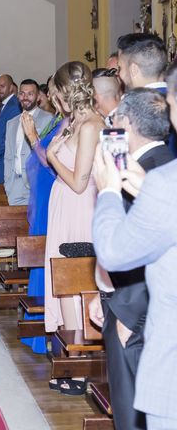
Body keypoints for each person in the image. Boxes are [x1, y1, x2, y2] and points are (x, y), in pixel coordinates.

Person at [91, 60, 177, 430]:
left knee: (129, 411)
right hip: (130, 302)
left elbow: (124, 249)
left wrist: (107, 188)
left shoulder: (158, 177)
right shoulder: (165, 163)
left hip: (139, 314)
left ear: (126, 125)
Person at [43, 62, 109, 336]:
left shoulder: (91, 124)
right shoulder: (74, 122)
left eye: (56, 93)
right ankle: (73, 352)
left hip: (79, 207)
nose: (54, 99)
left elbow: (79, 183)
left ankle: (80, 351)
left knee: (74, 277)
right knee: (63, 278)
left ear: (64, 91)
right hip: (64, 206)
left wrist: (52, 158)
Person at [21, 79, 65, 356]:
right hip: (46, 199)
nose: (48, 94)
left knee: (53, 263)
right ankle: (40, 330)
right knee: (42, 261)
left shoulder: (66, 123)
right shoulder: (60, 120)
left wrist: (34, 138)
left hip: (55, 201)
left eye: (51, 89)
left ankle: (55, 329)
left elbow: (49, 160)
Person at [3, 79, 53, 205]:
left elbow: (48, 152)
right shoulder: (11, 123)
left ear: (38, 97)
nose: (25, 98)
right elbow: (8, 156)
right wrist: (8, 183)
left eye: (30, 94)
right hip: (15, 186)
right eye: (22, 93)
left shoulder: (47, 119)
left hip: (36, 183)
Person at [0, 74, 22, 183]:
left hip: (5, 160)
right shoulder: (5, 105)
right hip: (0, 159)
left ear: (11, 87)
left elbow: (9, 136)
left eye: (2, 86)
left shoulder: (13, 107)